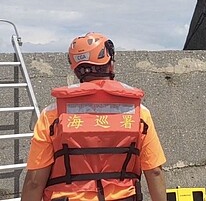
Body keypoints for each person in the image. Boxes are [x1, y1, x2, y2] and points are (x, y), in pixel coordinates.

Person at [21, 32, 167, 201]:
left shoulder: (51, 115)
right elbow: (154, 172)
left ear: (76, 70)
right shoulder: (139, 113)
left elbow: (34, 182)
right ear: (110, 64)